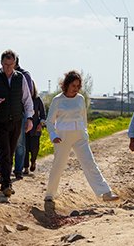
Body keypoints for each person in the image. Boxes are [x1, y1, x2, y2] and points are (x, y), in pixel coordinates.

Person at [44, 70, 119, 203]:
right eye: (73, 86)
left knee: (90, 163)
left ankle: (105, 192)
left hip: (79, 136)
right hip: (62, 137)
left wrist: (85, 134)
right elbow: (49, 121)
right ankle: (50, 194)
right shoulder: (57, 100)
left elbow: (84, 118)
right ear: (66, 85)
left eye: (78, 86)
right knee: (58, 165)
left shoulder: (80, 99)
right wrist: (53, 135)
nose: (76, 89)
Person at [0, 49, 34, 197]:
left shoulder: (20, 78)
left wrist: (29, 118)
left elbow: (27, 100)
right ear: (1, 63)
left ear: (15, 64)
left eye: (10, 65)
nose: (7, 68)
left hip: (16, 120)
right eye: (5, 64)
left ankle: (5, 181)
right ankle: (6, 184)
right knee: (4, 151)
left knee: (10, 151)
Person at [13, 59, 37, 179]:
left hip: (20, 113)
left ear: (15, 63)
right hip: (5, 113)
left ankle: (18, 169)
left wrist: (29, 117)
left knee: (20, 143)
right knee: (4, 144)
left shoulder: (24, 76)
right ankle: (5, 169)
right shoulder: (1, 75)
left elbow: (28, 96)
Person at [24, 90, 46, 172]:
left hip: (35, 129)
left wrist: (41, 124)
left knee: (34, 148)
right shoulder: (22, 99)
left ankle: (33, 161)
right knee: (24, 148)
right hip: (24, 128)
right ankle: (25, 167)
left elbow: (43, 115)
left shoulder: (37, 100)